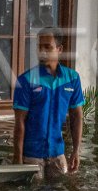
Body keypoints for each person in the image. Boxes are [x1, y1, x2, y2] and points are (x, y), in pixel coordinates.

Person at [12, 29, 85, 178]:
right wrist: (17, 159)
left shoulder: (72, 79)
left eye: (48, 47)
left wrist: (76, 151)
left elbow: (77, 117)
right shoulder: (25, 80)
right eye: (40, 47)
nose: (42, 51)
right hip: (31, 155)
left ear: (59, 49)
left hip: (58, 153)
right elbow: (20, 122)